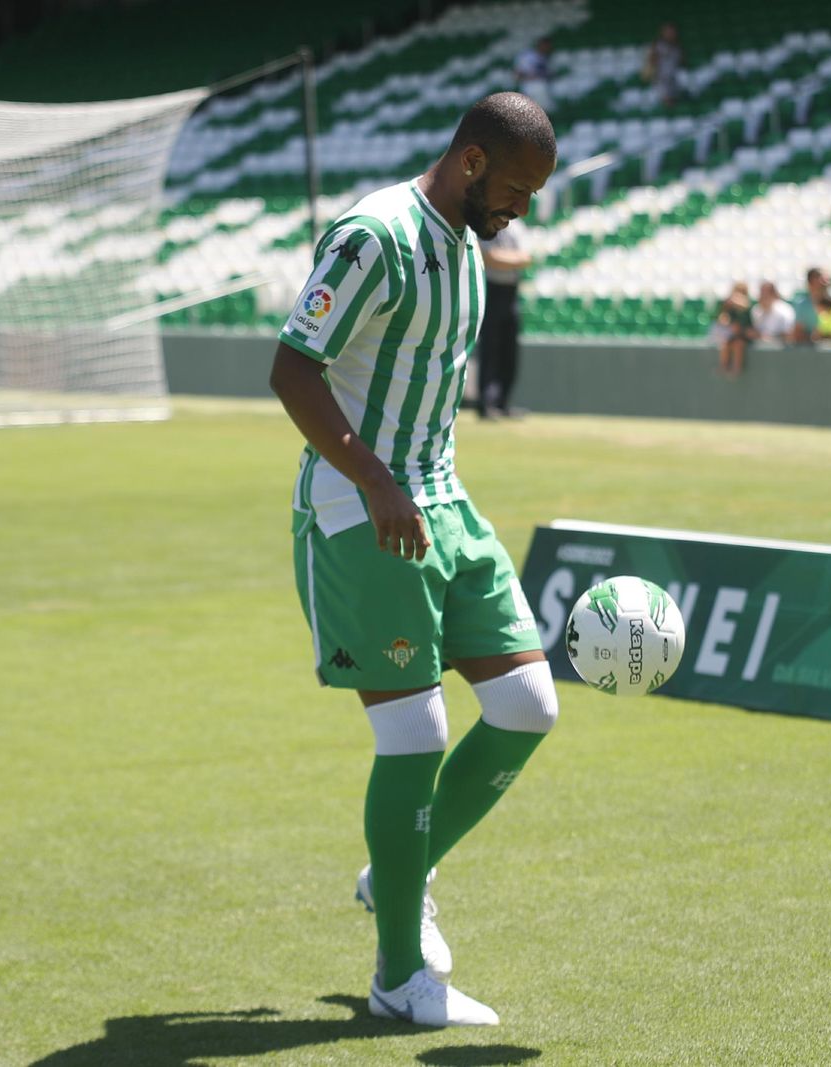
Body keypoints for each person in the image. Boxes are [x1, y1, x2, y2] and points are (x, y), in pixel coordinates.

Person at [268, 91, 559, 1029]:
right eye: (513, 190)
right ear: (471, 161)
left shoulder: (471, 248)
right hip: (363, 507)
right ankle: (400, 975)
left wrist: (418, 485)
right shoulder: (373, 236)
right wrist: (376, 478)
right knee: (417, 735)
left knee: (526, 706)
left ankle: (399, 869)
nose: (518, 211)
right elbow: (292, 368)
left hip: (446, 502)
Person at [477, 214, 532, 419]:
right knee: (490, 348)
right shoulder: (487, 225)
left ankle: (503, 402)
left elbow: (526, 257)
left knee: (509, 350)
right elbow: (490, 257)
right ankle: (487, 403)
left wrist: (504, 259)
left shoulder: (517, 227)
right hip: (492, 289)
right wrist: (513, 259)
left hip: (511, 290)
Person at [711, 281, 755, 376]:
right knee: (726, 344)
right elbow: (722, 318)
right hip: (733, 335)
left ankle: (737, 367)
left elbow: (747, 325)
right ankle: (724, 366)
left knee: (738, 345)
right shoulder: (729, 306)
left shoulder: (748, 307)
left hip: (744, 335)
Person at [642, 22, 683, 109]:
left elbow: (681, 63)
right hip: (661, 79)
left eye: (672, 31)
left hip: (673, 78)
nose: (671, 34)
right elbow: (651, 62)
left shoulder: (677, 47)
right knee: (666, 102)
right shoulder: (657, 46)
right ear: (663, 33)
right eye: (668, 31)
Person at [512, 37, 554, 111]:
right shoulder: (527, 56)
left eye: (548, 46)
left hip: (543, 86)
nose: (546, 47)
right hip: (530, 86)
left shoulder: (545, 58)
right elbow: (518, 74)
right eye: (544, 45)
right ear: (539, 45)